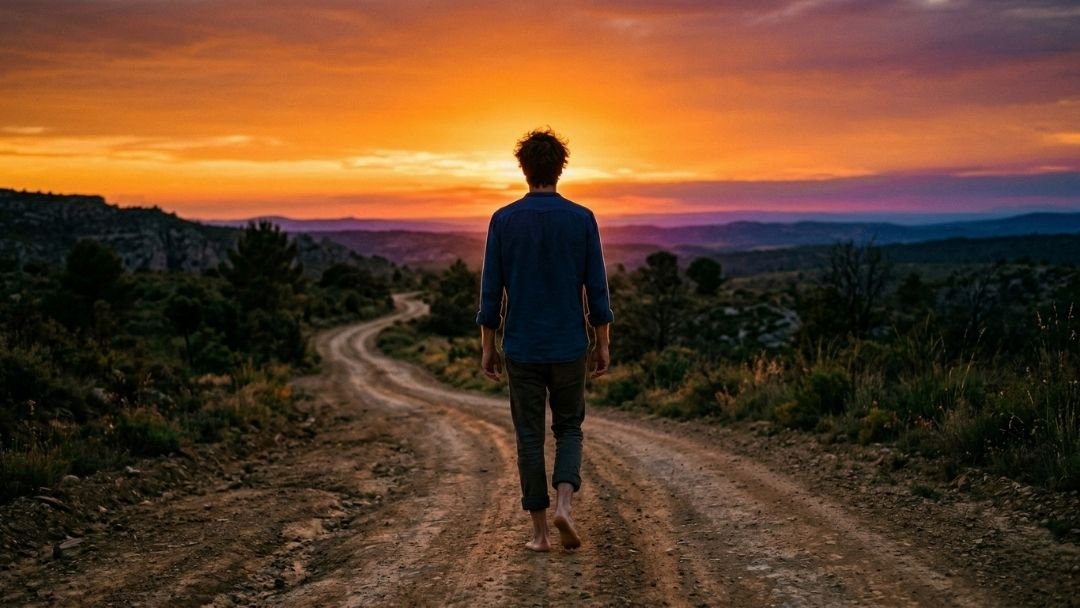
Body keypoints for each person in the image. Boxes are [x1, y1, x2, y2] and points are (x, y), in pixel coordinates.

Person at [476, 128, 613, 552]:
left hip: (521, 346)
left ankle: (539, 534)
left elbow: (490, 289)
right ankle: (565, 507)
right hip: (570, 343)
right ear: (560, 168)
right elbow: (597, 287)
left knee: (529, 436)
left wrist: (487, 346)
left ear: (524, 168)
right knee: (569, 428)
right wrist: (602, 340)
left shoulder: (503, 220)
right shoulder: (582, 218)